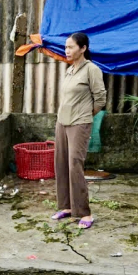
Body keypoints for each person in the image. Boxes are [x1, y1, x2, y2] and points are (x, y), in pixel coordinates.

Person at [50, 32, 107, 229]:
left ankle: (85, 213)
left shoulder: (91, 69)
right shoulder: (70, 70)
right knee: (61, 164)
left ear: (83, 48)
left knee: (75, 165)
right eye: (65, 47)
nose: (67, 50)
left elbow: (100, 99)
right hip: (62, 122)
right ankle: (65, 207)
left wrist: (85, 115)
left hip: (79, 123)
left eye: (70, 47)